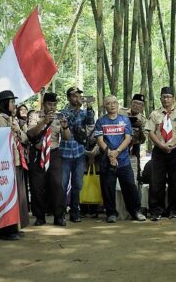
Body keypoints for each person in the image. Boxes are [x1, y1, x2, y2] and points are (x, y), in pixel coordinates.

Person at [94, 95, 146, 223]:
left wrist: (116, 152)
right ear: (104, 106)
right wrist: (110, 154)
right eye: (109, 103)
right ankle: (111, 213)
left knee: (130, 186)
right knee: (108, 188)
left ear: (118, 105)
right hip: (107, 161)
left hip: (123, 160)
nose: (112, 105)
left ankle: (135, 211)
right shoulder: (101, 121)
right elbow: (100, 140)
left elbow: (128, 138)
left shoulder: (125, 120)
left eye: (114, 103)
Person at [27, 92, 70, 226]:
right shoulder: (35, 115)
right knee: (37, 186)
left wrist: (65, 127)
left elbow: (67, 137)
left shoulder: (60, 116)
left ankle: (59, 216)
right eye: (49, 104)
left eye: (54, 104)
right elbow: (30, 133)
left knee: (57, 185)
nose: (52, 107)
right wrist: (44, 121)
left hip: (53, 153)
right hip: (38, 153)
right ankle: (40, 217)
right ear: (44, 104)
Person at [145, 86, 176, 221]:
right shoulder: (155, 114)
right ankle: (156, 210)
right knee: (157, 180)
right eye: (163, 97)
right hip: (159, 151)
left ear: (173, 99)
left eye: (168, 97)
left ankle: (173, 210)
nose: (166, 99)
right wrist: (161, 145)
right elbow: (150, 132)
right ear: (160, 98)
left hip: (175, 151)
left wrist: (172, 144)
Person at [0, 90, 30, 240]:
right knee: (8, 196)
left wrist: (17, 131)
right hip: (6, 164)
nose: (14, 104)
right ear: (4, 104)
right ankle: (6, 229)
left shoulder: (13, 120)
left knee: (18, 196)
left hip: (17, 161)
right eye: (12, 102)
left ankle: (16, 225)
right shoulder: (0, 121)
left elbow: (26, 139)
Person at [60, 87, 95, 223]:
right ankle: (61, 213)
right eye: (75, 96)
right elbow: (69, 121)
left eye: (79, 96)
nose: (78, 98)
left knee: (78, 184)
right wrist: (79, 108)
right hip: (65, 152)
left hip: (80, 152)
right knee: (62, 184)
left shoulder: (84, 112)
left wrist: (90, 107)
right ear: (69, 98)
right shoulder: (64, 112)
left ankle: (75, 212)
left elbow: (91, 123)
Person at [119, 93, 146, 184]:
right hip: (120, 143)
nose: (137, 106)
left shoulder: (143, 119)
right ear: (131, 103)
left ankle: (137, 178)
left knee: (135, 163)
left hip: (135, 145)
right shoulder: (121, 112)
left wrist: (140, 127)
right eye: (135, 103)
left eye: (140, 104)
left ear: (142, 107)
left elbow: (143, 140)